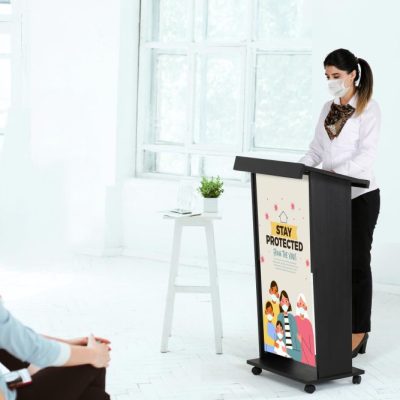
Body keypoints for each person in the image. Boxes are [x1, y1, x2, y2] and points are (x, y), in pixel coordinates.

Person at [299, 48, 380, 357]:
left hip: (360, 197)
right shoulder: (327, 108)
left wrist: (334, 176)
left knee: (357, 264)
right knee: (330, 265)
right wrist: (300, 167)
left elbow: (365, 159)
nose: (331, 82)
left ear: (353, 75)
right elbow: (317, 149)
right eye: (327, 77)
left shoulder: (368, 110)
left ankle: (359, 331)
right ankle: (333, 326)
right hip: (329, 196)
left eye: (336, 76)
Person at [0, 300, 111, 400]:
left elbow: (13, 335)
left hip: (6, 383)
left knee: (92, 393)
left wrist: (66, 344)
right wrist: (95, 354)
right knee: (88, 363)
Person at [277, 290, 301, 361]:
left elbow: (295, 333)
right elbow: (278, 331)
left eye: (286, 301)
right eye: (282, 301)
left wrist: (298, 347)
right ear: (280, 303)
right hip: (283, 347)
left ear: (289, 303)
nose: (284, 303)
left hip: (292, 347)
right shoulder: (280, 316)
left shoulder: (291, 317)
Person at [294, 293, 315, 367]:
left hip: (307, 360)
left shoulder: (308, 323)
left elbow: (311, 348)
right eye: (299, 304)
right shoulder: (294, 320)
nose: (301, 307)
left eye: (303, 305)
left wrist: (301, 341)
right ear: (297, 305)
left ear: (306, 307)